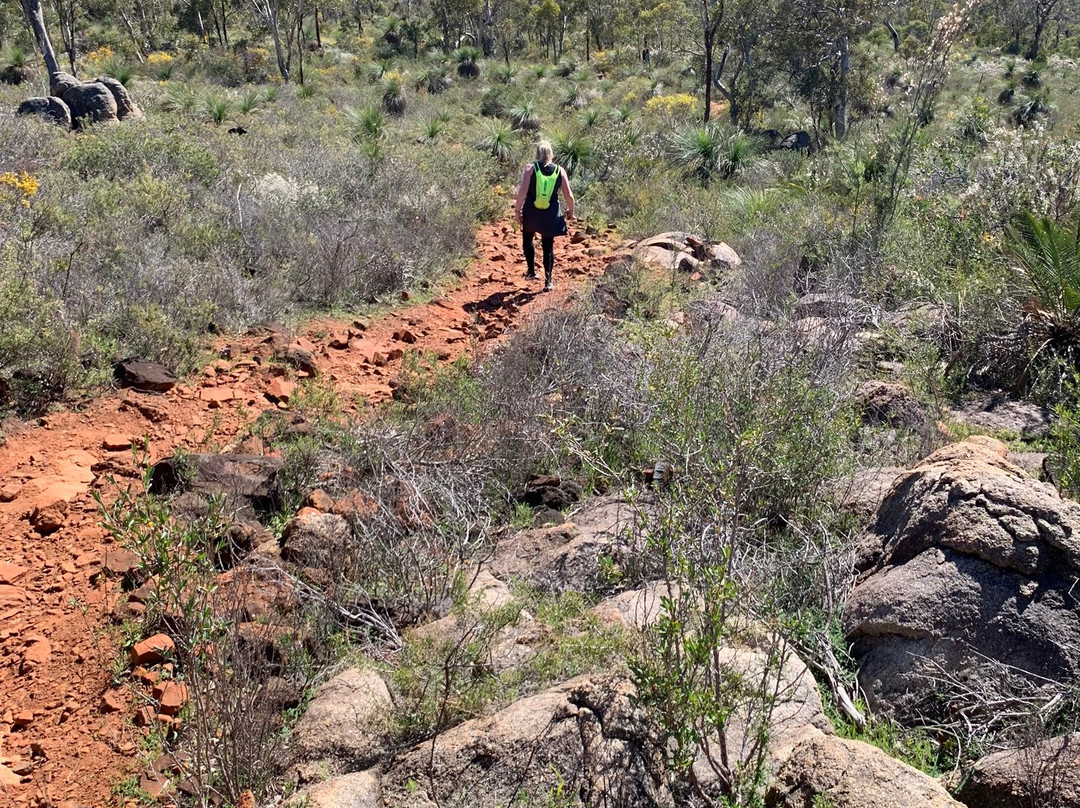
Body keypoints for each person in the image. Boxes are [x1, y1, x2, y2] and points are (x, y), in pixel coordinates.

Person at [513, 140, 575, 291]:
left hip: (531, 212)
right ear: (550, 153)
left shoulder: (530, 168)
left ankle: (531, 271)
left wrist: (517, 210)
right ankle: (548, 281)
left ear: (537, 153)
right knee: (548, 246)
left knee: (527, 238)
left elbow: (522, 192)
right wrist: (571, 211)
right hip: (550, 214)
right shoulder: (560, 170)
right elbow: (569, 196)